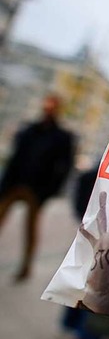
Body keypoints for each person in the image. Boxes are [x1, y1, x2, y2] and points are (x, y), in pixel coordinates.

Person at [0, 94, 75, 281]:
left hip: (37, 189)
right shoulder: (29, 131)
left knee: (30, 228)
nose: (48, 109)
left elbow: (65, 167)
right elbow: (15, 157)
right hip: (15, 184)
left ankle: (25, 267)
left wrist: (49, 191)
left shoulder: (62, 137)